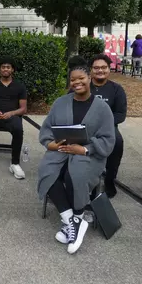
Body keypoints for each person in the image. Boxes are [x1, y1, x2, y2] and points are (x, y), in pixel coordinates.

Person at [38, 57, 115, 254]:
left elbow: (108, 139)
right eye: (73, 80)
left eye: (81, 78)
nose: (77, 83)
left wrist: (85, 149)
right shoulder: (60, 103)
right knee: (47, 172)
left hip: (89, 154)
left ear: (89, 78)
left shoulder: (102, 108)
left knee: (76, 175)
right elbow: (46, 130)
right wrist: (52, 144)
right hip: (62, 150)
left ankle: (75, 219)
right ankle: (73, 221)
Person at [89, 54, 127, 198]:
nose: (100, 70)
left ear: (109, 69)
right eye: (96, 68)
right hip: (84, 127)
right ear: (91, 70)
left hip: (108, 128)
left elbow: (120, 114)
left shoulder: (117, 89)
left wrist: (104, 124)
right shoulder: (82, 86)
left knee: (117, 143)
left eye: (103, 67)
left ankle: (110, 180)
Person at [0, 57, 28, 179]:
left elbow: (23, 109)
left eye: (8, 67)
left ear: (12, 69)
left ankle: (15, 163)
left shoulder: (20, 86)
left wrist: (11, 113)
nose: (5, 69)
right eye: (3, 67)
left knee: (18, 129)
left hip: (12, 117)